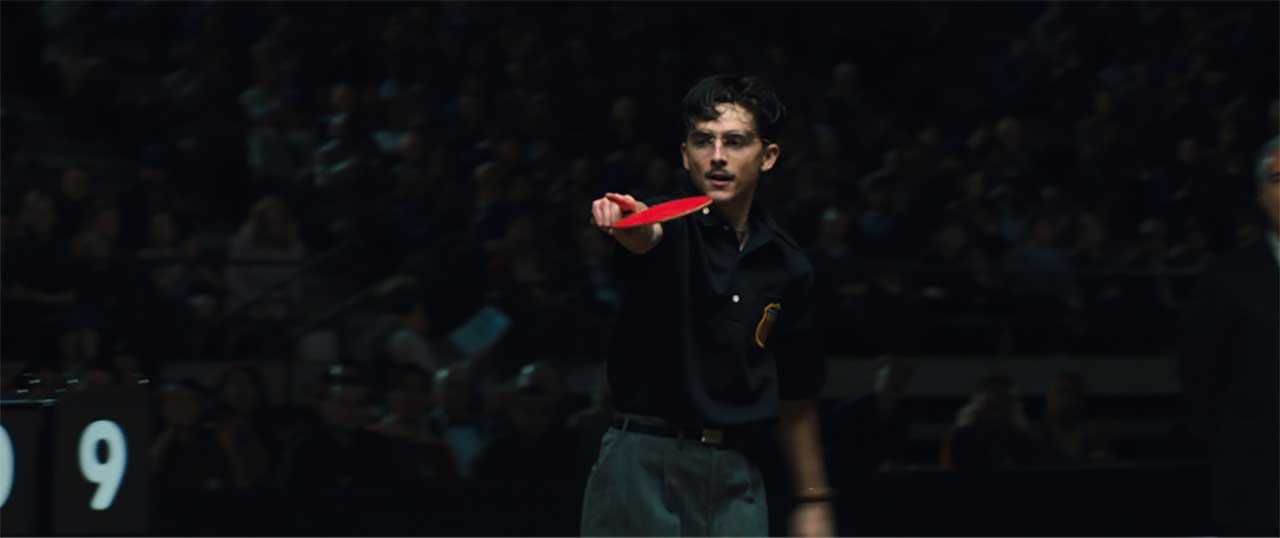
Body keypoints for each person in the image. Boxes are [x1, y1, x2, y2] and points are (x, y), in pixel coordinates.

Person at [584, 74, 834, 537]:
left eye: (735, 142)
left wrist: (813, 499)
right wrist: (627, 224)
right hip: (643, 461)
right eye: (703, 141)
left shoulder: (788, 265)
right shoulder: (666, 225)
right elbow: (644, 236)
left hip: (737, 473)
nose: (717, 156)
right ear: (685, 155)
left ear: (768, 156)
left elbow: (797, 395)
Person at [1179, 136, 1279, 537]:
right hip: (1259, 491)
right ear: (1261, 195)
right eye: (1279, 178)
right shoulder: (1226, 278)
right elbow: (1200, 381)